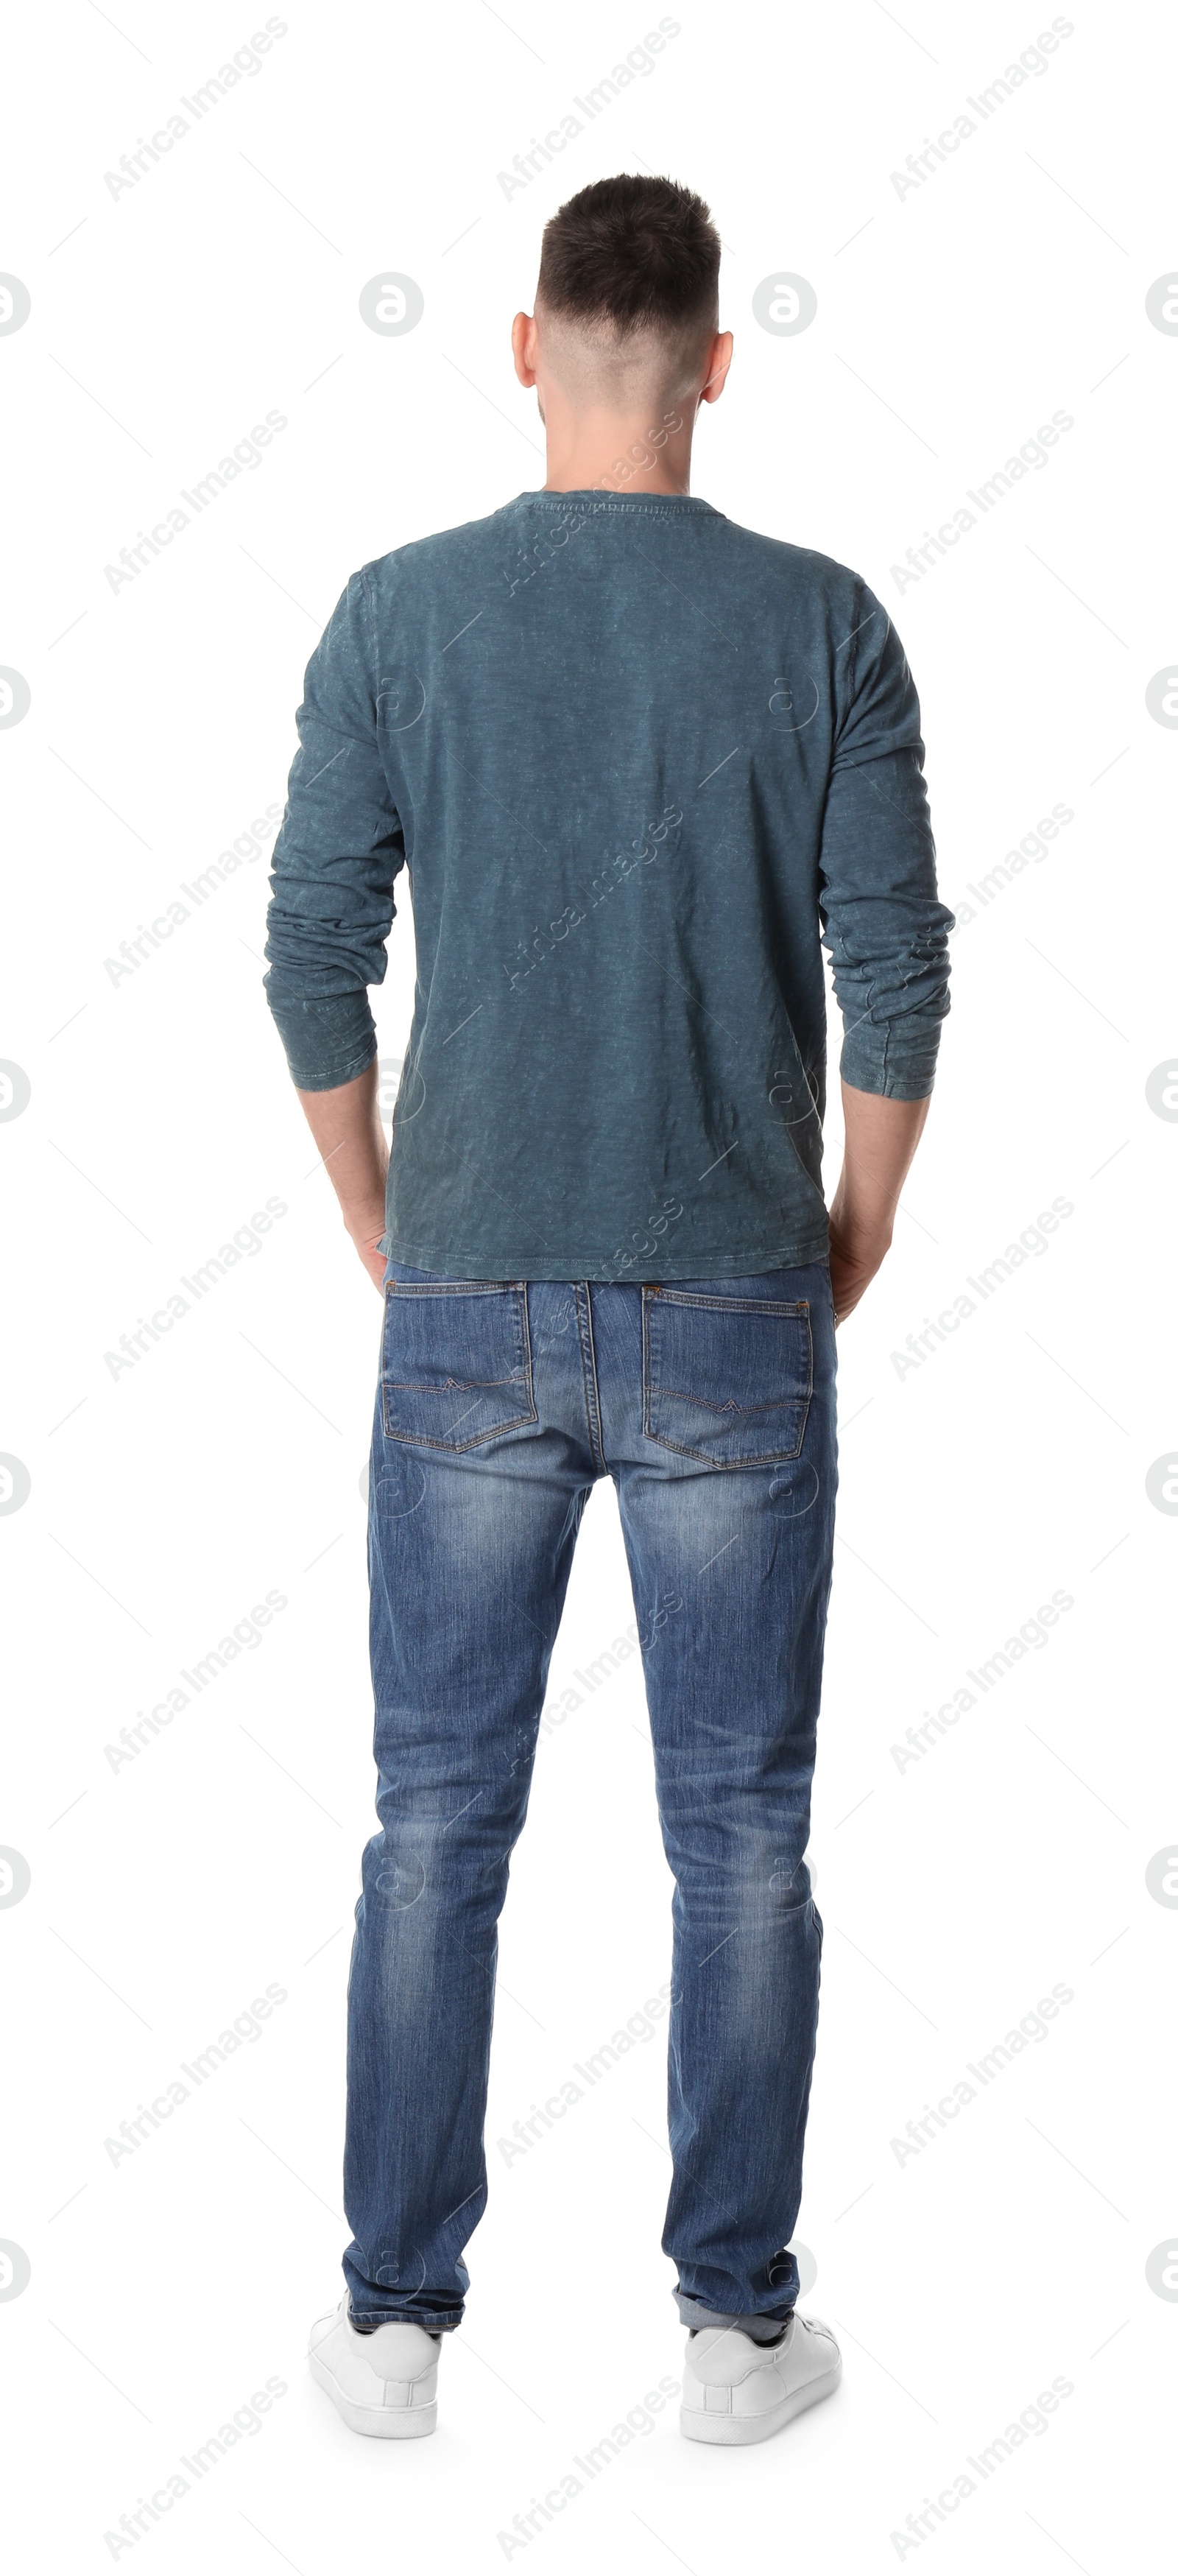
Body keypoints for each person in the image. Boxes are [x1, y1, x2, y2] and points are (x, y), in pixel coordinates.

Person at [264, 172, 952, 2447]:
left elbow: (306, 953)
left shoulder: (397, 612)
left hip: (462, 1282)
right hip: (740, 1297)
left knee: (434, 1821)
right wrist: (846, 1234)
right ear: (720, 362)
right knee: (741, 1827)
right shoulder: (825, 623)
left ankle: (390, 2325)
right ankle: (739, 2336)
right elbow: (899, 972)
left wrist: (383, 1209)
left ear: (528, 342)